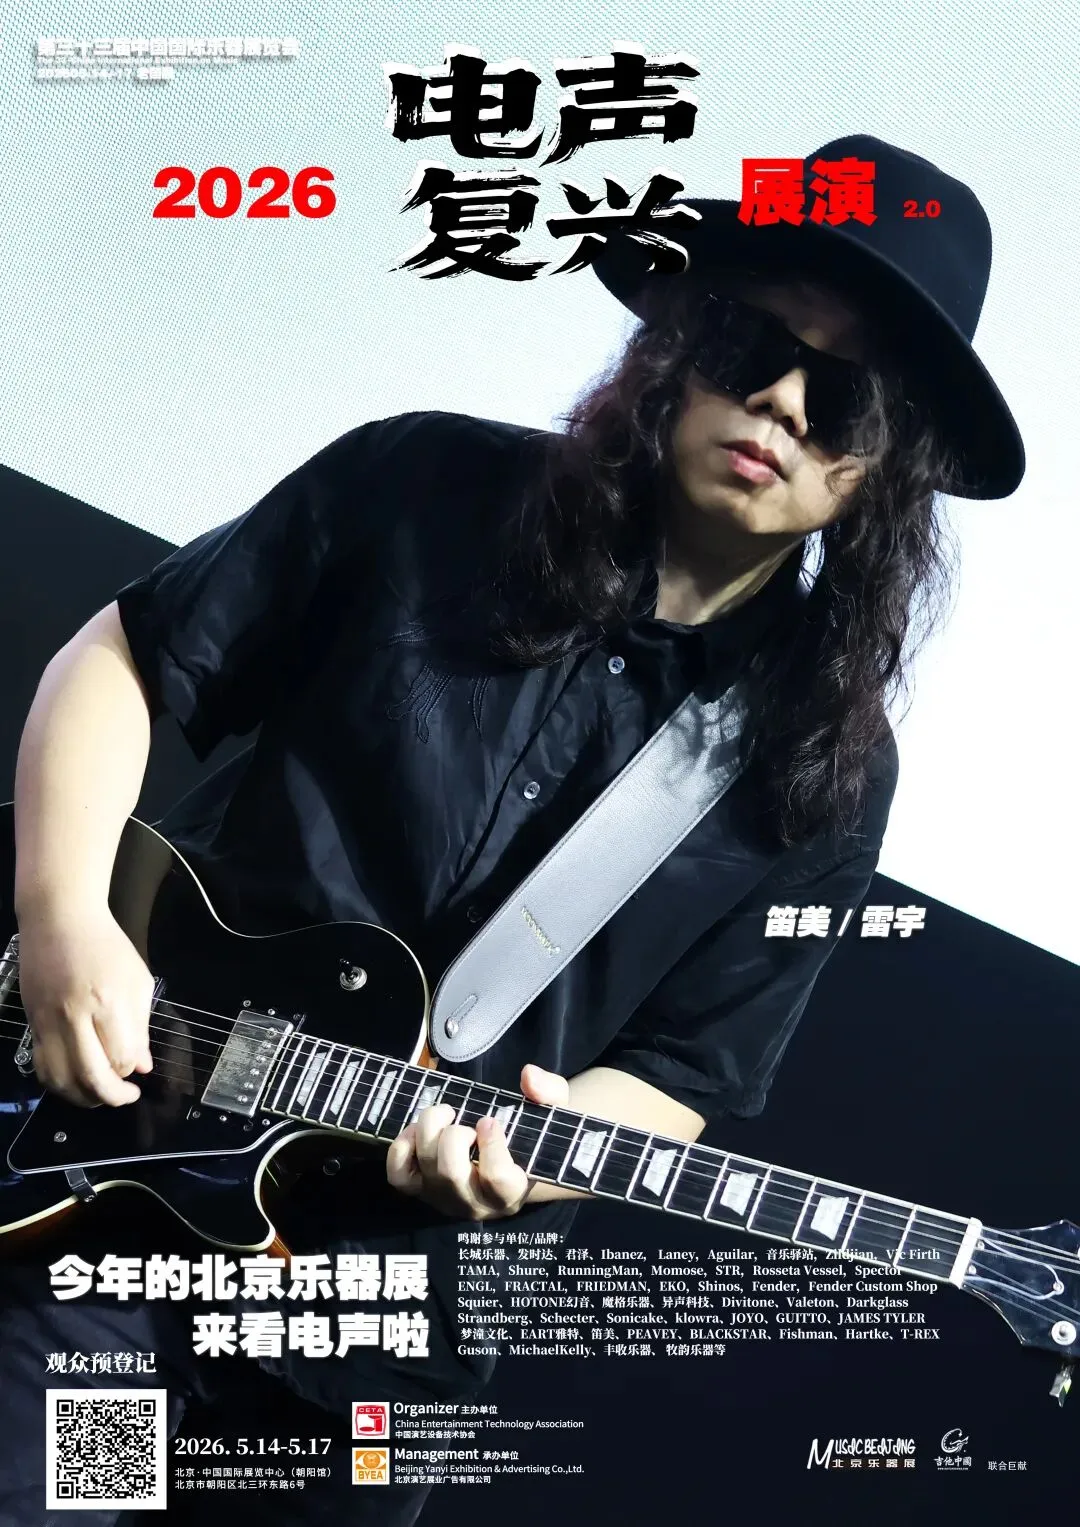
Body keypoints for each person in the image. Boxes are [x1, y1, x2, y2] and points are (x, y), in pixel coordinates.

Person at [2, 134, 1024, 1524]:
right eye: (752, 346)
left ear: (883, 470)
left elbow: (680, 1072)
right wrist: (64, 918)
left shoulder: (827, 770)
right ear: (682, 342)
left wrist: (529, 1159)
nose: (782, 401)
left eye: (845, 397)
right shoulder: (422, 489)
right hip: (125, 1203)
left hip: (376, 1355)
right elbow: (125, 660)